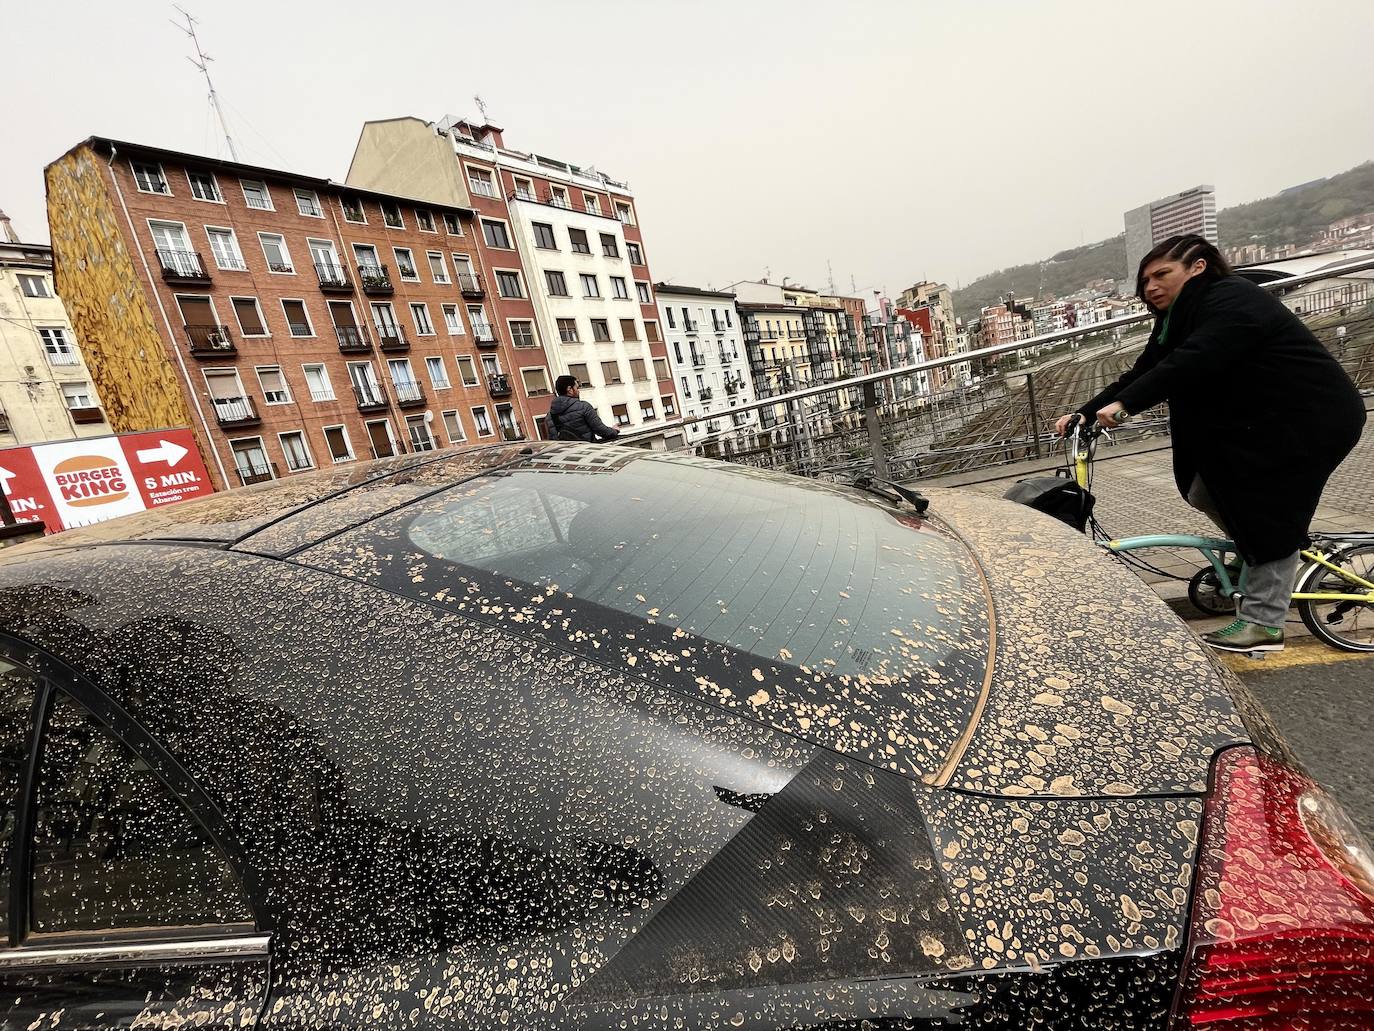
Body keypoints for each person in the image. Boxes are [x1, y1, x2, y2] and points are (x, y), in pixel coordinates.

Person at [1055, 234, 1365, 653]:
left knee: (1267, 514)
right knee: (1205, 488)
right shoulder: (1177, 319)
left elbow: (1195, 359)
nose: (1151, 287)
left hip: (1307, 420)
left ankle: (1263, 622)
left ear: (1197, 267)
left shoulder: (1231, 298)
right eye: (1145, 281)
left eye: (1161, 274)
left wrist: (1127, 405)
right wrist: (1087, 412)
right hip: (1262, 423)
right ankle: (1264, 552)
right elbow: (1148, 368)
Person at [547, 375, 621, 443]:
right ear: (569, 389)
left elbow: (553, 441)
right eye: (577, 388)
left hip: (569, 456)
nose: (578, 391)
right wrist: (615, 430)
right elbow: (601, 431)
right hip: (587, 453)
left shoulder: (549, 416)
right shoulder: (583, 407)